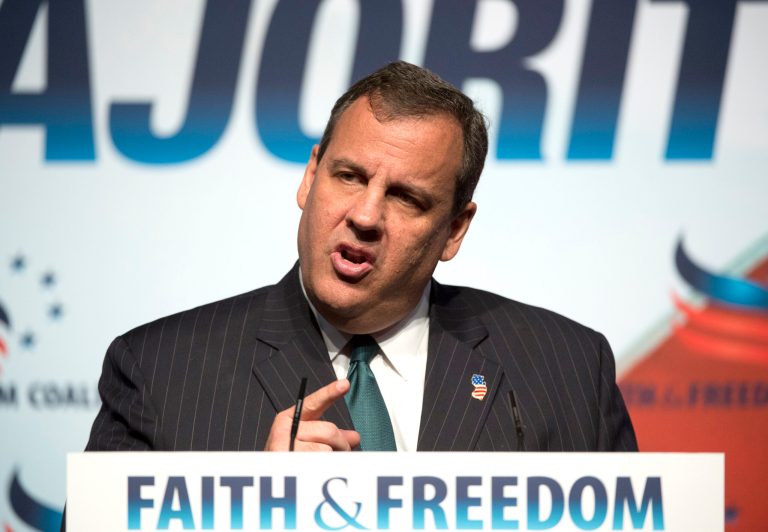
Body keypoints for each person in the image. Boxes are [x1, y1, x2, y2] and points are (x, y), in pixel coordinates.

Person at [84, 61, 637, 454]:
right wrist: (253, 510)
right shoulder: (158, 373)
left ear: (454, 230)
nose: (366, 216)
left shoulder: (567, 369)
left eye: (407, 198)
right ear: (310, 176)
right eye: (349, 177)